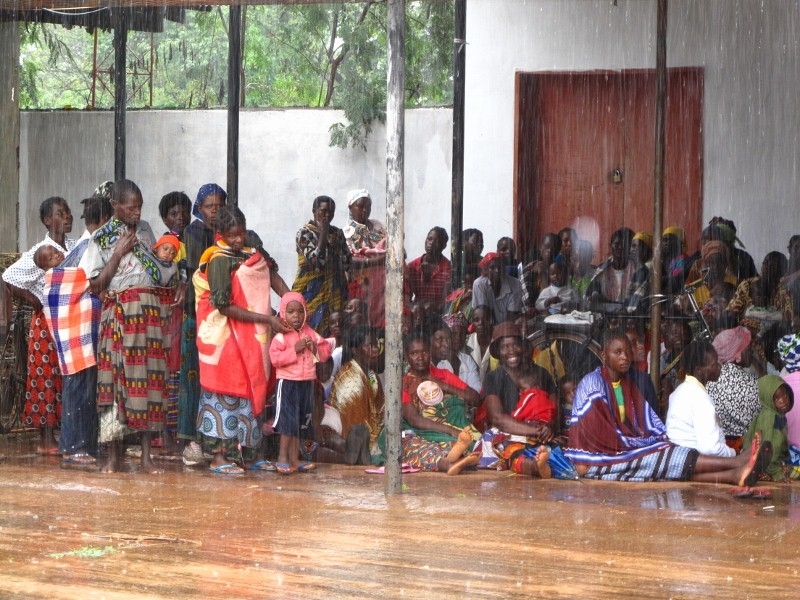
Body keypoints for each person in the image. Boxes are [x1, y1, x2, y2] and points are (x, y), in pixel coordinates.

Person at [565, 329, 767, 485]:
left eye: (627, 352)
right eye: (617, 352)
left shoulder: (627, 384)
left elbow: (641, 423)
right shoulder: (592, 384)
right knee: (668, 456)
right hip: (596, 459)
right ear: (603, 355)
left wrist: (648, 441)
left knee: (668, 459)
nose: (625, 357)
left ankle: (734, 475)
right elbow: (598, 435)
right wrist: (635, 445)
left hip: (622, 450)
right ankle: (736, 462)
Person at [81, 179, 175, 473]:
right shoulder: (101, 238)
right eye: (131, 207)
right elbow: (95, 285)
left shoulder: (145, 230)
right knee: (114, 384)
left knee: (149, 384)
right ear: (115, 206)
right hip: (119, 316)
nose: (137, 212)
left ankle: (146, 457)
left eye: (140, 207)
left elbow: (160, 269)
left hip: (149, 316)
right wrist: (118, 252)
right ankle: (113, 456)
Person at [193, 205, 292, 475]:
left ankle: (251, 454)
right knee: (225, 392)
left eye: (241, 233)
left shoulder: (253, 251)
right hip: (225, 338)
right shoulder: (218, 259)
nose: (238, 240)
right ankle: (219, 457)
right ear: (221, 233)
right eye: (232, 235)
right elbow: (223, 306)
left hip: (253, 337)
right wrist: (267, 319)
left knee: (251, 390)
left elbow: (271, 276)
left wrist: (291, 302)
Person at [41, 194, 113, 468]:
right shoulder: (90, 246)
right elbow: (90, 284)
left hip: (81, 325)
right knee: (80, 386)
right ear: (105, 220)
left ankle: (82, 444)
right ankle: (74, 446)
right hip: (79, 325)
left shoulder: (82, 246)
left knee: (84, 385)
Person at [2, 196, 77, 455]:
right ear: (47, 220)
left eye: (68, 212)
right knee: (45, 377)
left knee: (64, 376)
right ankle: (46, 438)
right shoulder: (42, 251)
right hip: (47, 322)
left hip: (68, 319)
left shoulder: (73, 247)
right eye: (60, 213)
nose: (67, 216)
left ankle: (63, 432)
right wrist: (33, 298)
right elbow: (8, 277)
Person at [178, 183, 227, 465]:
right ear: (200, 208)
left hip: (220, 318)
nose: (214, 212)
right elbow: (203, 268)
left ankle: (213, 438)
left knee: (216, 379)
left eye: (219, 206)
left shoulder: (227, 234)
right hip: (197, 315)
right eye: (209, 207)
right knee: (193, 378)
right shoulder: (194, 232)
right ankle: (192, 441)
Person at [396, 331, 481, 474]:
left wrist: (445, 386)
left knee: (465, 440)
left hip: (454, 428)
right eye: (414, 353)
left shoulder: (444, 375)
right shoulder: (403, 385)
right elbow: (414, 420)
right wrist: (452, 431)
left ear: (430, 351)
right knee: (412, 443)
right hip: (421, 432)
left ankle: (457, 458)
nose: (420, 357)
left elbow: (475, 398)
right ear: (406, 356)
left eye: (424, 352)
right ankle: (451, 463)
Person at [270, 291, 333, 474]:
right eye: (290, 312)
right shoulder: (281, 336)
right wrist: (295, 350)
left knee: (298, 423)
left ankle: (294, 459)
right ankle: (282, 458)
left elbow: (325, 351)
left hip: (306, 383)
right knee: (287, 423)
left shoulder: (310, 333)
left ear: (306, 312)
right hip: (287, 384)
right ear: (283, 314)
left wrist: (313, 347)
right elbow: (275, 359)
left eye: (299, 311)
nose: (296, 316)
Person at [292, 195, 351, 336]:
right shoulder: (304, 233)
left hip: (335, 293)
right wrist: (323, 234)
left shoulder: (337, 233)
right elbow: (316, 262)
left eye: (331, 212)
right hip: (311, 292)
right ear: (314, 211)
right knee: (310, 332)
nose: (327, 215)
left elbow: (348, 262)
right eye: (323, 211)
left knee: (334, 334)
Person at [328, 324, 385, 465]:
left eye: (376, 345)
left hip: (374, 433)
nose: (375, 350)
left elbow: (382, 410)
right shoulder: (350, 380)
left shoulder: (371, 374)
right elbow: (355, 426)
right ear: (355, 350)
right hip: (355, 441)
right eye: (369, 346)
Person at [666, 340, 734, 457]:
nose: (719, 367)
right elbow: (710, 448)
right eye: (714, 364)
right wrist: (733, 453)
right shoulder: (700, 398)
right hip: (693, 460)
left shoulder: (678, 392)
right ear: (699, 370)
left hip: (679, 457)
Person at [706, 326, 762, 447]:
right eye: (749, 348)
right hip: (746, 447)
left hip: (720, 446)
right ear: (738, 353)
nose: (752, 352)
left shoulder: (709, 382)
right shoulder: (751, 384)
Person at [343, 189, 386, 328]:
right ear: (350, 207)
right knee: (363, 316)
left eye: (368, 206)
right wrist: (373, 261)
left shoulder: (379, 227)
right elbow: (347, 259)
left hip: (382, 284)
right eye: (360, 206)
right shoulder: (346, 233)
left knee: (383, 317)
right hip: (361, 285)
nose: (365, 210)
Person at [742, 375, 794, 482]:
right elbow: (768, 450)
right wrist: (777, 475)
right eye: (776, 398)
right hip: (765, 467)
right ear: (768, 399)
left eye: (784, 395)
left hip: (771, 463)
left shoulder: (777, 414)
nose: (783, 401)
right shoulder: (770, 418)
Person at [405, 226, 452, 314]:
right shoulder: (412, 267)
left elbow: (445, 303)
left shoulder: (448, 268)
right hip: (417, 314)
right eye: (429, 239)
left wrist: (433, 308)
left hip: (438, 316)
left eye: (437, 241)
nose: (431, 243)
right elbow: (407, 299)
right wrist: (416, 309)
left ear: (444, 246)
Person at [585, 227, 635, 309]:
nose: (620, 247)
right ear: (610, 246)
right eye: (617, 244)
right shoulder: (602, 271)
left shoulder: (637, 270)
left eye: (624, 244)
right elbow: (589, 295)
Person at [430, 315, 481, 393]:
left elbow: (477, 389)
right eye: (453, 333)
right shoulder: (436, 362)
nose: (458, 338)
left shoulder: (467, 359)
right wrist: (466, 395)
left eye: (462, 334)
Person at [470, 252, 523, 324]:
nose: (497, 271)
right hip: (487, 327)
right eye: (492, 268)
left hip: (507, 326)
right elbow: (483, 317)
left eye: (500, 267)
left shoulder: (515, 284)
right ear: (485, 270)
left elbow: (511, 319)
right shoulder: (479, 284)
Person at [521, 232, 560, 315]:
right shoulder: (529, 270)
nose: (550, 250)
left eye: (554, 248)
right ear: (540, 247)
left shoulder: (560, 272)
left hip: (555, 314)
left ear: (558, 251)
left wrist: (543, 275)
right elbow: (527, 302)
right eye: (547, 246)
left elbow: (560, 298)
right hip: (531, 315)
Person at [467, 305, 497, 383]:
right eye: (476, 320)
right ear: (472, 323)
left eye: (486, 319)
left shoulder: (498, 344)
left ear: (492, 321)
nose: (481, 323)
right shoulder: (466, 342)